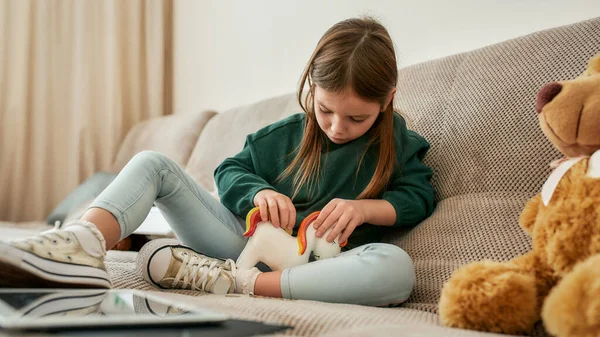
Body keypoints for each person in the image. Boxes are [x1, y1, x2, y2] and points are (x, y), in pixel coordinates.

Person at [0, 17, 435, 306]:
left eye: (356, 117)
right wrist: (260, 192)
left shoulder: (399, 143)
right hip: (242, 246)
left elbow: (420, 195)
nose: (337, 127)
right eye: (325, 110)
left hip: (321, 269)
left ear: (388, 99)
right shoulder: (285, 135)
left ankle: (228, 282)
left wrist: (364, 209)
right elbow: (229, 171)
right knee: (153, 162)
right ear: (311, 89)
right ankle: (81, 245)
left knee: (396, 270)